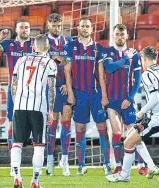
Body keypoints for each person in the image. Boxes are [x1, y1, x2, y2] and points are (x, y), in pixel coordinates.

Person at [106, 46, 159, 182]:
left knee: (127, 142)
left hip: (155, 118)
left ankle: (124, 175)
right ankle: (151, 166)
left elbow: (155, 98)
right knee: (133, 136)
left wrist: (140, 113)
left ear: (143, 59)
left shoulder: (147, 74)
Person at [64, 16, 111, 176]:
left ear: (92, 29)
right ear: (78, 28)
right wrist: (70, 93)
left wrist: (104, 95)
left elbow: (101, 74)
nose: (85, 28)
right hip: (79, 94)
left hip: (96, 94)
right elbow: (67, 72)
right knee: (80, 129)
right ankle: (81, 165)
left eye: (88, 26)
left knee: (103, 129)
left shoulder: (98, 48)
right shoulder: (71, 46)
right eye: (82, 26)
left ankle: (106, 163)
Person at [0, 20, 34, 165]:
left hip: (32, 90)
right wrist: (0, 38)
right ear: (16, 30)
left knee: (33, 124)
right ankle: (14, 163)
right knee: (13, 125)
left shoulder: (35, 44)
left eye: (27, 27)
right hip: (14, 89)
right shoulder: (9, 44)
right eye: (22, 27)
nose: (24, 30)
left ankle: (42, 160)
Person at [10, 34, 57, 188]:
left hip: (19, 107)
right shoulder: (50, 63)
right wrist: (50, 110)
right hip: (38, 108)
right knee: (38, 146)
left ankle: (17, 177)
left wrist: (16, 102)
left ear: (33, 46)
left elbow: (13, 86)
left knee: (17, 143)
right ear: (48, 47)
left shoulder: (21, 60)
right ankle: (35, 181)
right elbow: (51, 89)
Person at [103, 24, 147, 174]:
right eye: (117, 34)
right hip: (112, 100)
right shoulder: (108, 51)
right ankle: (118, 165)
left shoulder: (134, 55)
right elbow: (109, 68)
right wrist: (124, 59)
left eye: (122, 35)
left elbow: (138, 79)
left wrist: (129, 98)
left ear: (127, 36)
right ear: (113, 36)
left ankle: (141, 164)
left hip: (127, 100)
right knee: (115, 131)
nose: (120, 37)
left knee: (133, 132)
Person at [45, 13, 72, 177]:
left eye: (59, 25)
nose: (57, 28)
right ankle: (49, 161)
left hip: (65, 87)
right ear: (48, 25)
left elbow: (70, 62)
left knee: (66, 123)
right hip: (50, 88)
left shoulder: (68, 41)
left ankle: (65, 160)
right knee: (51, 125)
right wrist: (54, 57)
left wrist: (67, 85)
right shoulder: (42, 41)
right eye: (54, 25)